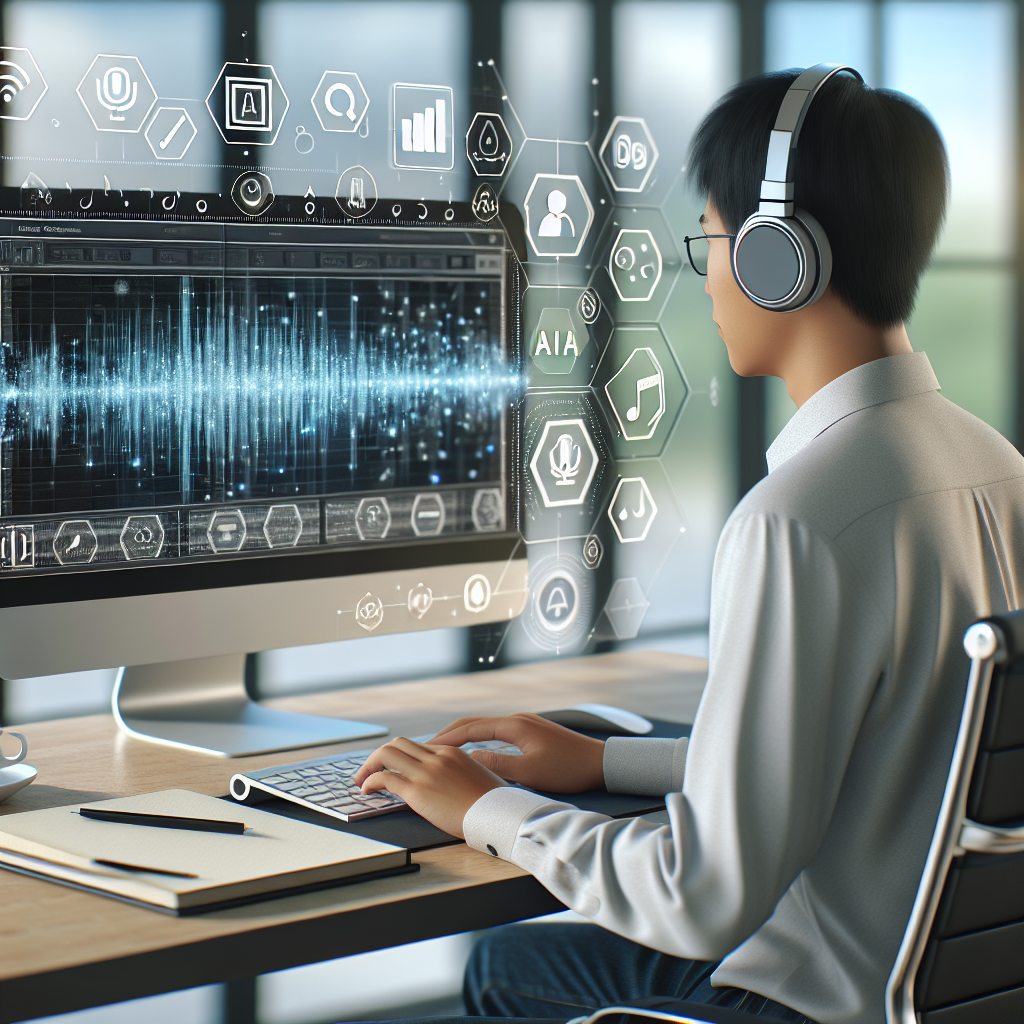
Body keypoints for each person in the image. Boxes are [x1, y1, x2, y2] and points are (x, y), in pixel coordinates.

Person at [353, 68, 1024, 1024]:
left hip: (809, 1001)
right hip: (923, 990)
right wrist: (601, 764)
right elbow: (882, 749)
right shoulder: (998, 466)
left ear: (776, 257)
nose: (705, 276)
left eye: (709, 242)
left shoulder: (797, 520)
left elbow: (698, 893)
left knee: (502, 970)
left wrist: (485, 810)